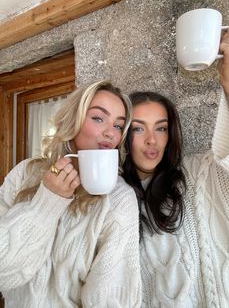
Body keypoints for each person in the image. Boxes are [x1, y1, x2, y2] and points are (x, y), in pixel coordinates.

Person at [0, 80, 142, 308]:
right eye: (98, 118)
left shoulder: (119, 198)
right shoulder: (25, 173)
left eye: (118, 126)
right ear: (72, 120)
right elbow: (4, 273)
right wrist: (47, 203)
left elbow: (110, 301)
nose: (110, 133)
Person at [122, 27, 229, 307]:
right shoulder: (115, 197)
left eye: (161, 128)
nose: (152, 140)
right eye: (138, 129)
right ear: (123, 135)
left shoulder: (199, 173)